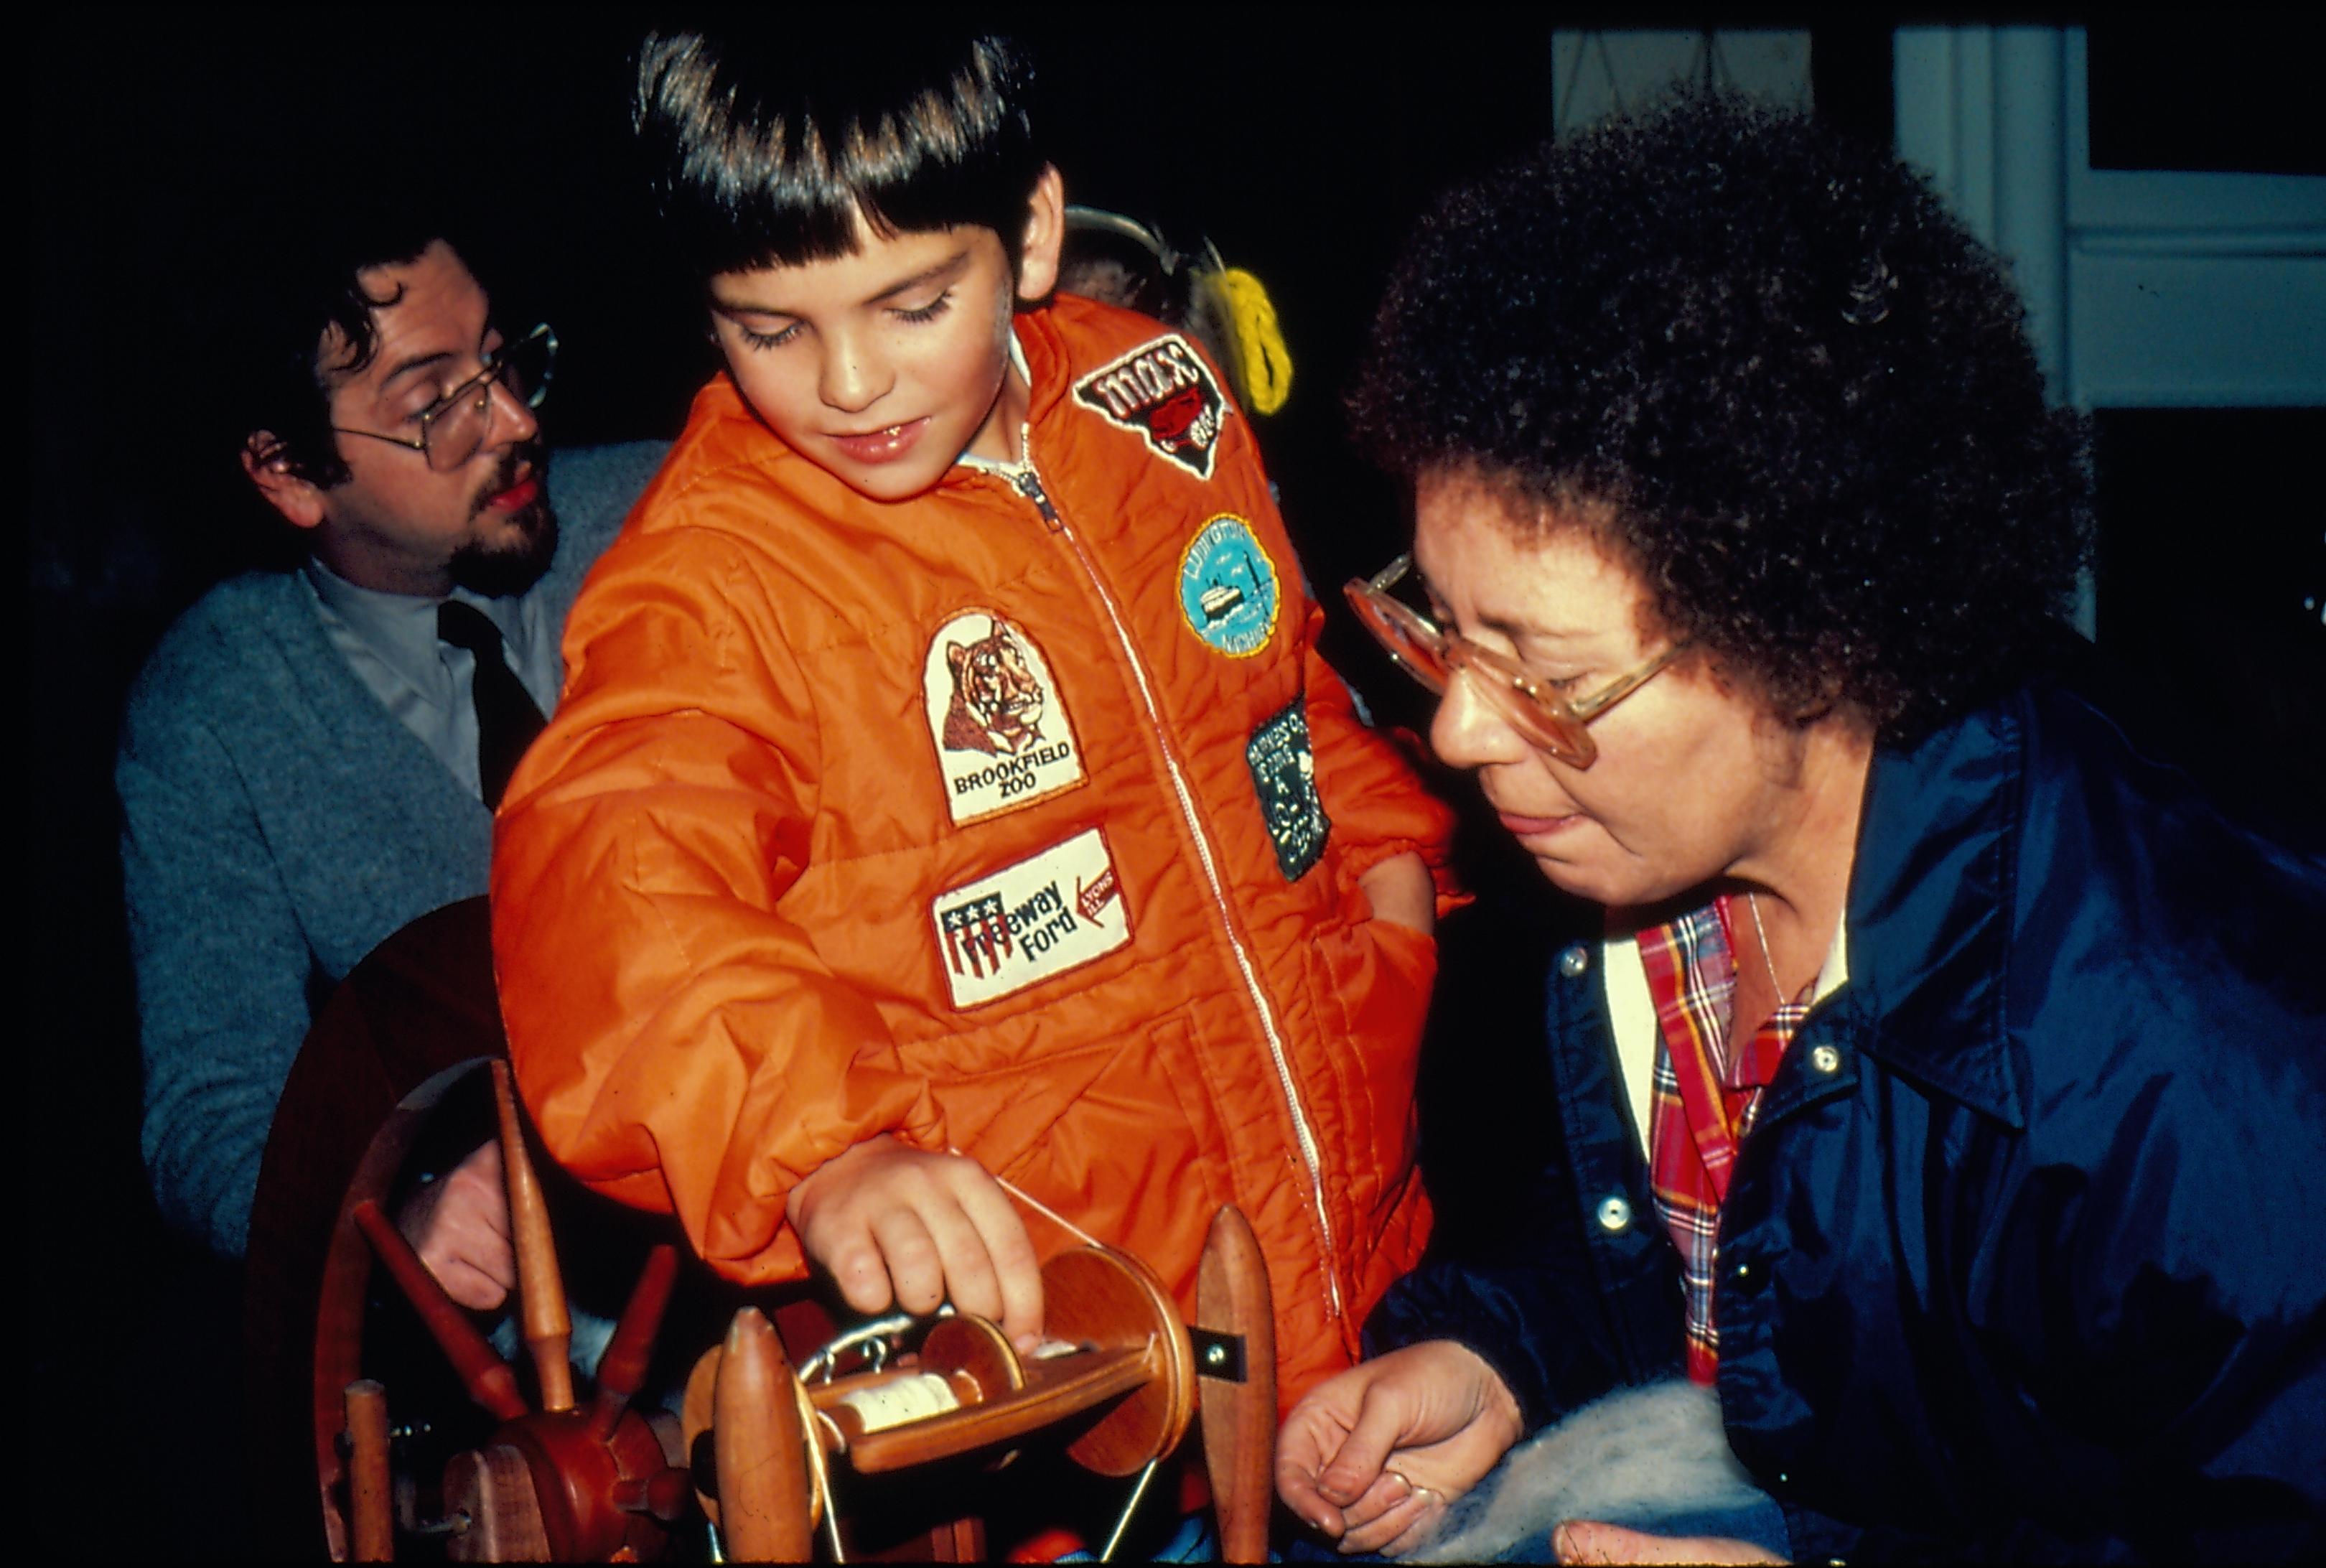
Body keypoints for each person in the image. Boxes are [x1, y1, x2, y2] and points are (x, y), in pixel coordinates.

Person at [1274, 96, 2326, 1562]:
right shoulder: (1651, 882)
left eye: (1551, 680)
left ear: (1810, 637)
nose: (1457, 730)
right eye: (1446, 633)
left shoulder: (2199, 1060)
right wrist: (1503, 1351)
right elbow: (1706, 1255)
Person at [490, 28, 1456, 1406]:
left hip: (1372, 1270)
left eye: (913, 303)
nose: (848, 383)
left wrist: (1392, 895)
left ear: (1032, 233)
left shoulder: (1160, 399)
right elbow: (615, 881)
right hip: (1078, 1381)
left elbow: (1281, 686)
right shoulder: (716, 580)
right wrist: (820, 1149)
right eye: (771, 328)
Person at [118, 196, 664, 1305]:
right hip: (550, 1364)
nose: (512, 420)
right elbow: (213, 1115)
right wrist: (393, 1212)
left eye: (504, 362)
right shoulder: (212, 705)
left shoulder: (668, 507)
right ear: (287, 475)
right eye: (437, 404)